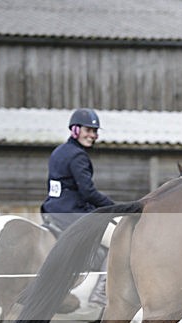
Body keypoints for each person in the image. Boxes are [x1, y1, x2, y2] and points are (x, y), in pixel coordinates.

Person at [41, 108, 114, 306]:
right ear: (75, 129)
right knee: (118, 238)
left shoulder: (59, 151)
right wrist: (114, 207)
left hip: (52, 212)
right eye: (88, 130)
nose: (92, 135)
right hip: (71, 214)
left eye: (95, 131)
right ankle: (101, 292)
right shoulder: (78, 156)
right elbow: (88, 192)